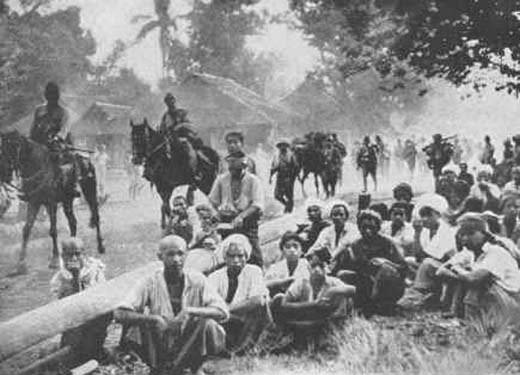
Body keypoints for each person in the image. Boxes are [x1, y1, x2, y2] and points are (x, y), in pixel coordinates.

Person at [115, 236, 228, 375]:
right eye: (170, 254)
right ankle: (157, 368)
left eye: (180, 254)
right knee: (139, 325)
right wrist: (154, 319)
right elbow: (119, 313)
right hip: (160, 343)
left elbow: (222, 312)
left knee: (208, 324)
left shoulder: (197, 279)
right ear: (160, 257)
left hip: (191, 342)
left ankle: (193, 368)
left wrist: (190, 311)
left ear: (187, 254)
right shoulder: (150, 281)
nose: (176, 259)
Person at [443, 214, 520, 325]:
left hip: (512, 303)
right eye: (462, 234)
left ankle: (473, 323)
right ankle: (459, 317)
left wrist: (457, 269)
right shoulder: (469, 253)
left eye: (471, 233)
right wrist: (461, 273)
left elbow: (474, 279)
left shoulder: (496, 252)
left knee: (478, 281)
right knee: (464, 277)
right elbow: (441, 271)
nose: (465, 238)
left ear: (484, 233)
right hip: (495, 301)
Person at [333, 210, 408, 316]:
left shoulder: (388, 243)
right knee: (342, 275)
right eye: (364, 228)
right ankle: (361, 303)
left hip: (391, 284)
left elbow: (404, 268)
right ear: (359, 228)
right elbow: (357, 268)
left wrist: (386, 263)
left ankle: (381, 304)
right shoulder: (356, 245)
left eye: (372, 228)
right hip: (367, 281)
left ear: (378, 228)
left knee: (385, 270)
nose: (368, 231)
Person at [50, 237, 109, 365]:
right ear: (63, 256)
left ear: (84, 254)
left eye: (77, 254)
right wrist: (74, 278)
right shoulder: (60, 279)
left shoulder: (95, 270)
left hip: (94, 319)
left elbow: (102, 299)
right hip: (73, 323)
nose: (74, 259)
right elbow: (63, 309)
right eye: (69, 255)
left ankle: (95, 350)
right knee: (73, 356)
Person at [208, 234, 270, 353]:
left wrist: (225, 309)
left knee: (262, 305)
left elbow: (257, 300)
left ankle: (245, 347)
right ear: (225, 258)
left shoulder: (254, 271)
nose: (236, 260)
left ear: (246, 257)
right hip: (226, 321)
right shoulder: (215, 276)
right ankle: (225, 348)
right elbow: (209, 303)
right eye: (231, 256)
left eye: (240, 256)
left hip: (247, 320)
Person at [271, 251, 355, 334]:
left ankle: (332, 327)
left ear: (327, 268)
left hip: (324, 318)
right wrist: (313, 303)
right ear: (308, 267)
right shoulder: (302, 282)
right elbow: (284, 303)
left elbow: (353, 289)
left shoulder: (332, 282)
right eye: (313, 266)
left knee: (344, 297)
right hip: (304, 315)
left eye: (321, 266)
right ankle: (286, 330)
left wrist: (333, 291)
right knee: (278, 299)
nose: (317, 270)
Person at [209, 151, 265, 268]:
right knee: (225, 252)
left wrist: (241, 217)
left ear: (244, 167)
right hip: (226, 222)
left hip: (247, 222)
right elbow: (212, 201)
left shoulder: (253, 180)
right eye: (231, 169)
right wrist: (215, 214)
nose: (234, 172)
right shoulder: (221, 179)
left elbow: (257, 204)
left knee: (255, 255)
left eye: (238, 170)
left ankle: (259, 274)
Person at [29, 81, 78, 198]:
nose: (51, 98)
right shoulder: (39, 110)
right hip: (39, 142)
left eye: (53, 95)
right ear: (46, 95)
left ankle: (67, 187)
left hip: (56, 144)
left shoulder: (63, 112)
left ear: (57, 96)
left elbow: (64, 129)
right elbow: (33, 127)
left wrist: (56, 138)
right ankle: (26, 187)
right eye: (49, 95)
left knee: (62, 159)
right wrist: (31, 140)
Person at [265, 231, 310, 296]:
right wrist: (282, 282)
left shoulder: (307, 265)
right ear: (282, 251)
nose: (292, 250)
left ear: (301, 250)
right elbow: (263, 285)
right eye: (287, 247)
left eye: (295, 246)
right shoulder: (276, 267)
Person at [270, 140, 299, 213]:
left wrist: (294, 176)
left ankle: (290, 210)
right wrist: (270, 177)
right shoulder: (276, 157)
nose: (282, 148)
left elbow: (296, 166)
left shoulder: (291, 155)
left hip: (288, 177)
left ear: (286, 147)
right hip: (280, 177)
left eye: (284, 146)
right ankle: (287, 205)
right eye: (280, 146)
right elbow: (273, 167)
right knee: (277, 195)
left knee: (289, 195)